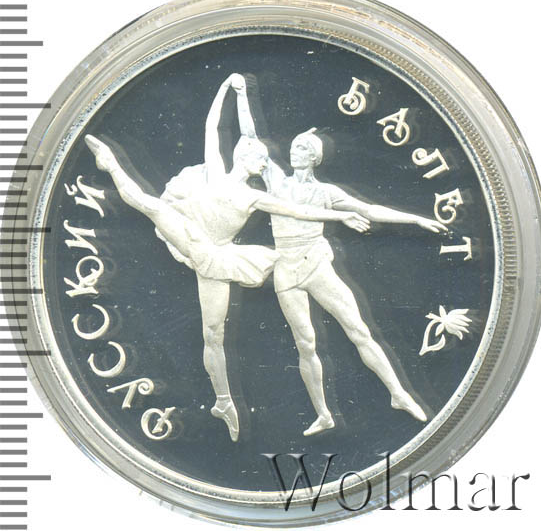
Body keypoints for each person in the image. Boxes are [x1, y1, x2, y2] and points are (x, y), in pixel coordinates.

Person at [84, 74, 369, 442]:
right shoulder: (215, 171)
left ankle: (224, 403)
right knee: (148, 204)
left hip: (219, 256)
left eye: (263, 158)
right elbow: (213, 126)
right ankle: (110, 163)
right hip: (192, 236)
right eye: (257, 156)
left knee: (213, 332)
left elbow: (300, 212)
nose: (261, 160)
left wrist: (340, 216)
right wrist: (224, 90)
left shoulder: (255, 197)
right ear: (241, 155)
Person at [232, 78, 448, 436]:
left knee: (358, 330)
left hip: (316, 265)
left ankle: (398, 394)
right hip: (285, 269)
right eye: (294, 146)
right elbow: (249, 136)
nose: (295, 151)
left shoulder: (326, 192)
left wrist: (416, 219)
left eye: (303, 147)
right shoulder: (276, 182)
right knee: (306, 343)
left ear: (314, 157)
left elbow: (370, 210)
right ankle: (323, 414)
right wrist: (242, 96)